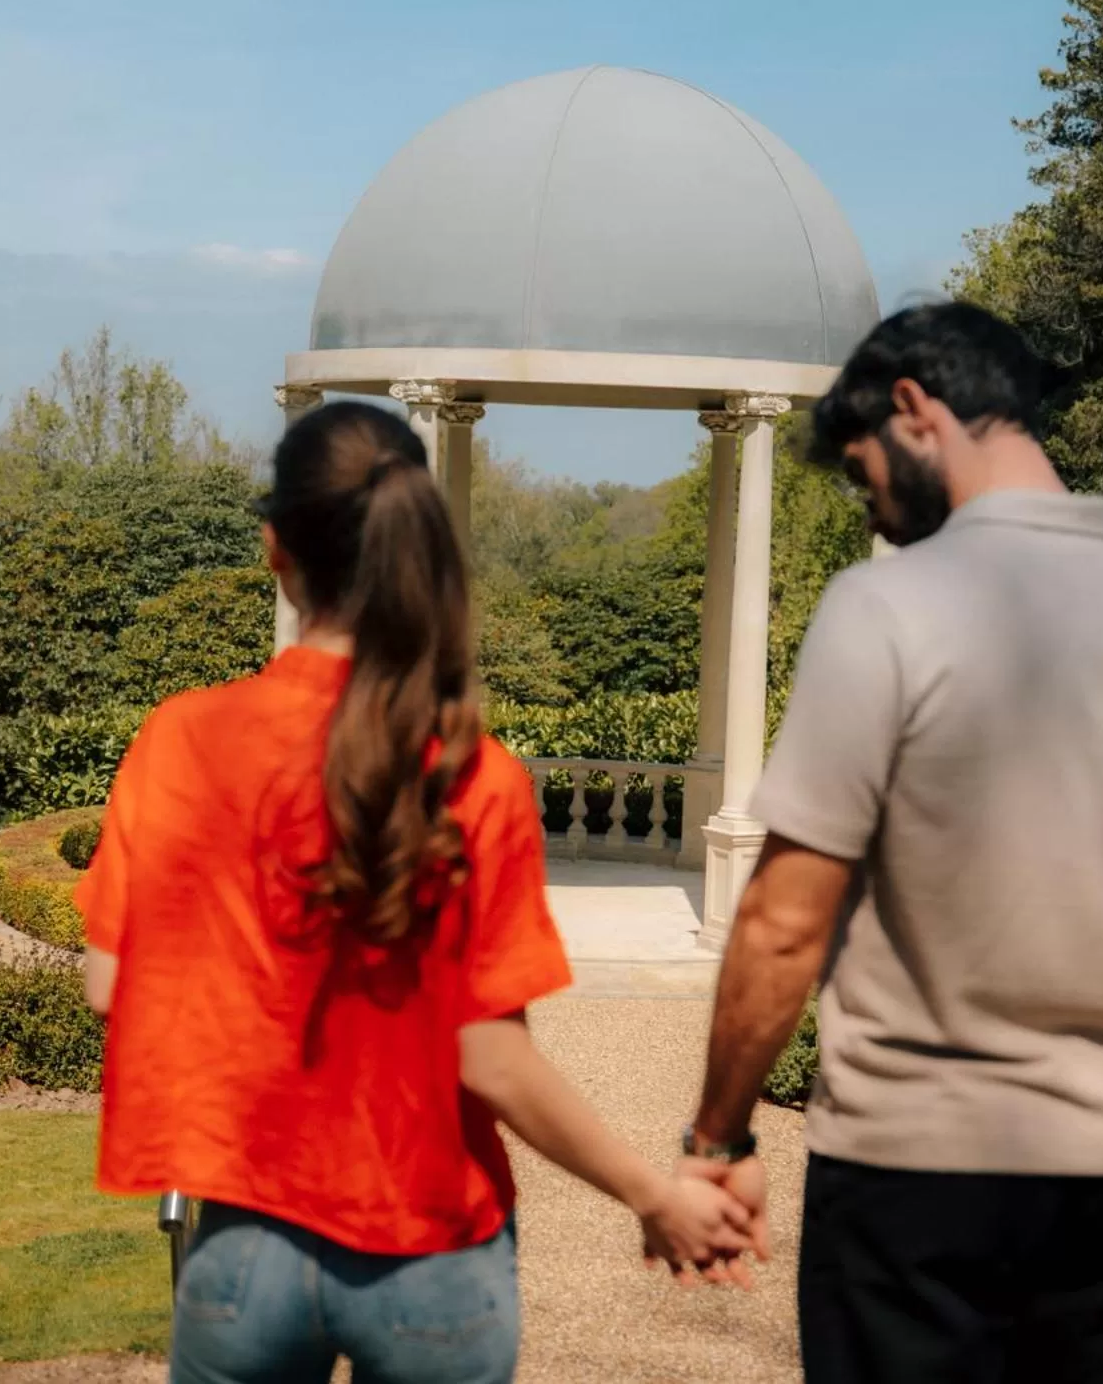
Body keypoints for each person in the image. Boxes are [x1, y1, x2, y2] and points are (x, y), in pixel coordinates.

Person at [75, 400, 756, 1384]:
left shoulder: (179, 742)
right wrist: (650, 1193)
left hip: (243, 1250)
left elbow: (109, 986)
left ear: (274, 548)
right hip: (433, 1254)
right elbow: (489, 1058)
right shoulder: (473, 776)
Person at [678, 303, 1103, 1383]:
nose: (876, 511)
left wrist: (716, 1141)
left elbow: (779, 923)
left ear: (913, 409)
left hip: (913, 1166)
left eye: (862, 474)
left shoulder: (887, 609)